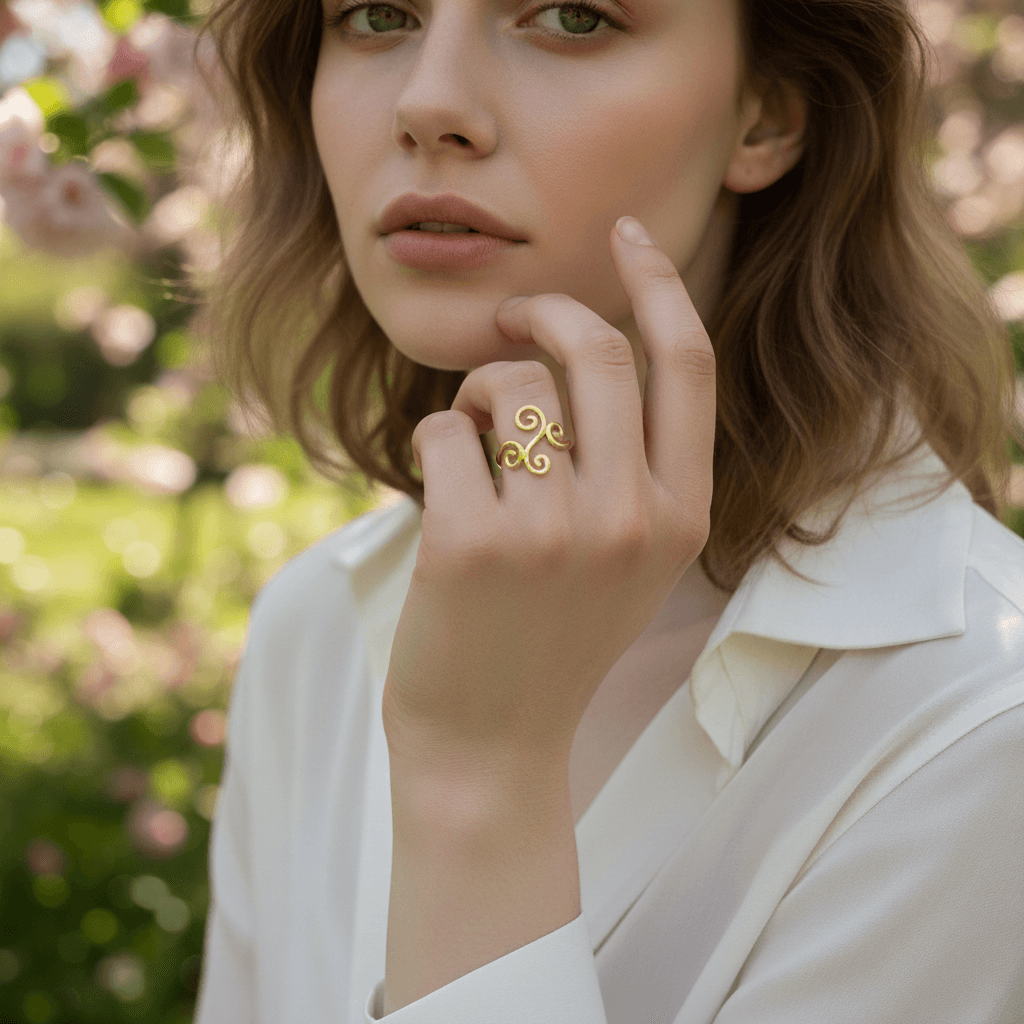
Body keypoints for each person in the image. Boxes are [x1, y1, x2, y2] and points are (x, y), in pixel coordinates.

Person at [188, 0, 1024, 1019]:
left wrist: (482, 778)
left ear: (767, 112)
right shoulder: (315, 623)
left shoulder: (983, 722)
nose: (428, 104)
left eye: (573, 16)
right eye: (375, 13)